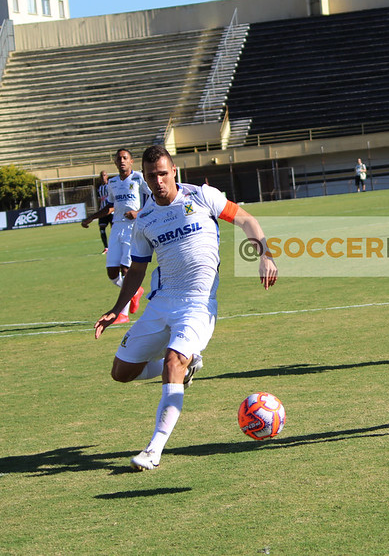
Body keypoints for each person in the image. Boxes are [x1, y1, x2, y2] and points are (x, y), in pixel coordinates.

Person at [93, 145, 278, 471]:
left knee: (172, 361)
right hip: (161, 303)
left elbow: (246, 219)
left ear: (174, 170)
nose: (158, 181)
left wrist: (264, 253)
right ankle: (186, 365)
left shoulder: (202, 196)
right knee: (121, 373)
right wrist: (116, 309)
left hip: (197, 304)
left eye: (163, 173)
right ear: (146, 178)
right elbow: (136, 270)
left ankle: (154, 449)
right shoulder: (145, 218)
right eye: (152, 176)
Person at [82, 149, 148, 324]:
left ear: (131, 161)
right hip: (116, 228)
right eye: (119, 159)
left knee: (126, 269)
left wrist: (138, 213)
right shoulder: (112, 183)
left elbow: (153, 198)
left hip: (132, 228)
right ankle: (135, 291)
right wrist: (91, 217)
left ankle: (123, 314)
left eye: (125, 158)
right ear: (115, 162)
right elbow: (110, 206)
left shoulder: (139, 178)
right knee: (112, 273)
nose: (122, 161)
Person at [96, 171, 113, 254]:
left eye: (104, 175)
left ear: (107, 176)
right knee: (102, 229)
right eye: (101, 176)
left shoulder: (111, 185)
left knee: (114, 230)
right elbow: (99, 199)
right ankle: (106, 248)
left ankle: (115, 246)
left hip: (111, 211)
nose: (103, 177)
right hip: (103, 211)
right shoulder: (99, 188)